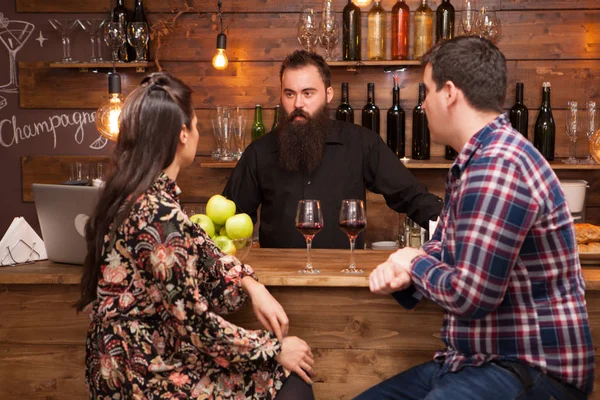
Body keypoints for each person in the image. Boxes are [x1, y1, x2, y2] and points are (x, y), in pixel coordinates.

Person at [360, 36, 594, 400]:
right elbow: (447, 246)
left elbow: (472, 295)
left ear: (449, 93)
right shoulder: (476, 161)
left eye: (426, 92)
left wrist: (413, 261)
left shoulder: (498, 165)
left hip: (531, 369)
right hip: (470, 361)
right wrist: (406, 271)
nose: (422, 105)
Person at [75, 72, 315, 400]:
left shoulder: (138, 195)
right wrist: (274, 347)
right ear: (183, 134)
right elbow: (197, 325)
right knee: (292, 381)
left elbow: (200, 244)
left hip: (122, 362)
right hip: (142, 376)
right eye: (198, 125)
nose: (200, 134)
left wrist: (250, 283)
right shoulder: (158, 212)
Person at [223, 50, 442, 249]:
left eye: (308, 93)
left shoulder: (361, 142)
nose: (298, 103)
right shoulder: (259, 152)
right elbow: (230, 218)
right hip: (277, 279)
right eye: (290, 94)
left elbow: (411, 196)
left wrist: (454, 230)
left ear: (328, 94)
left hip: (343, 277)